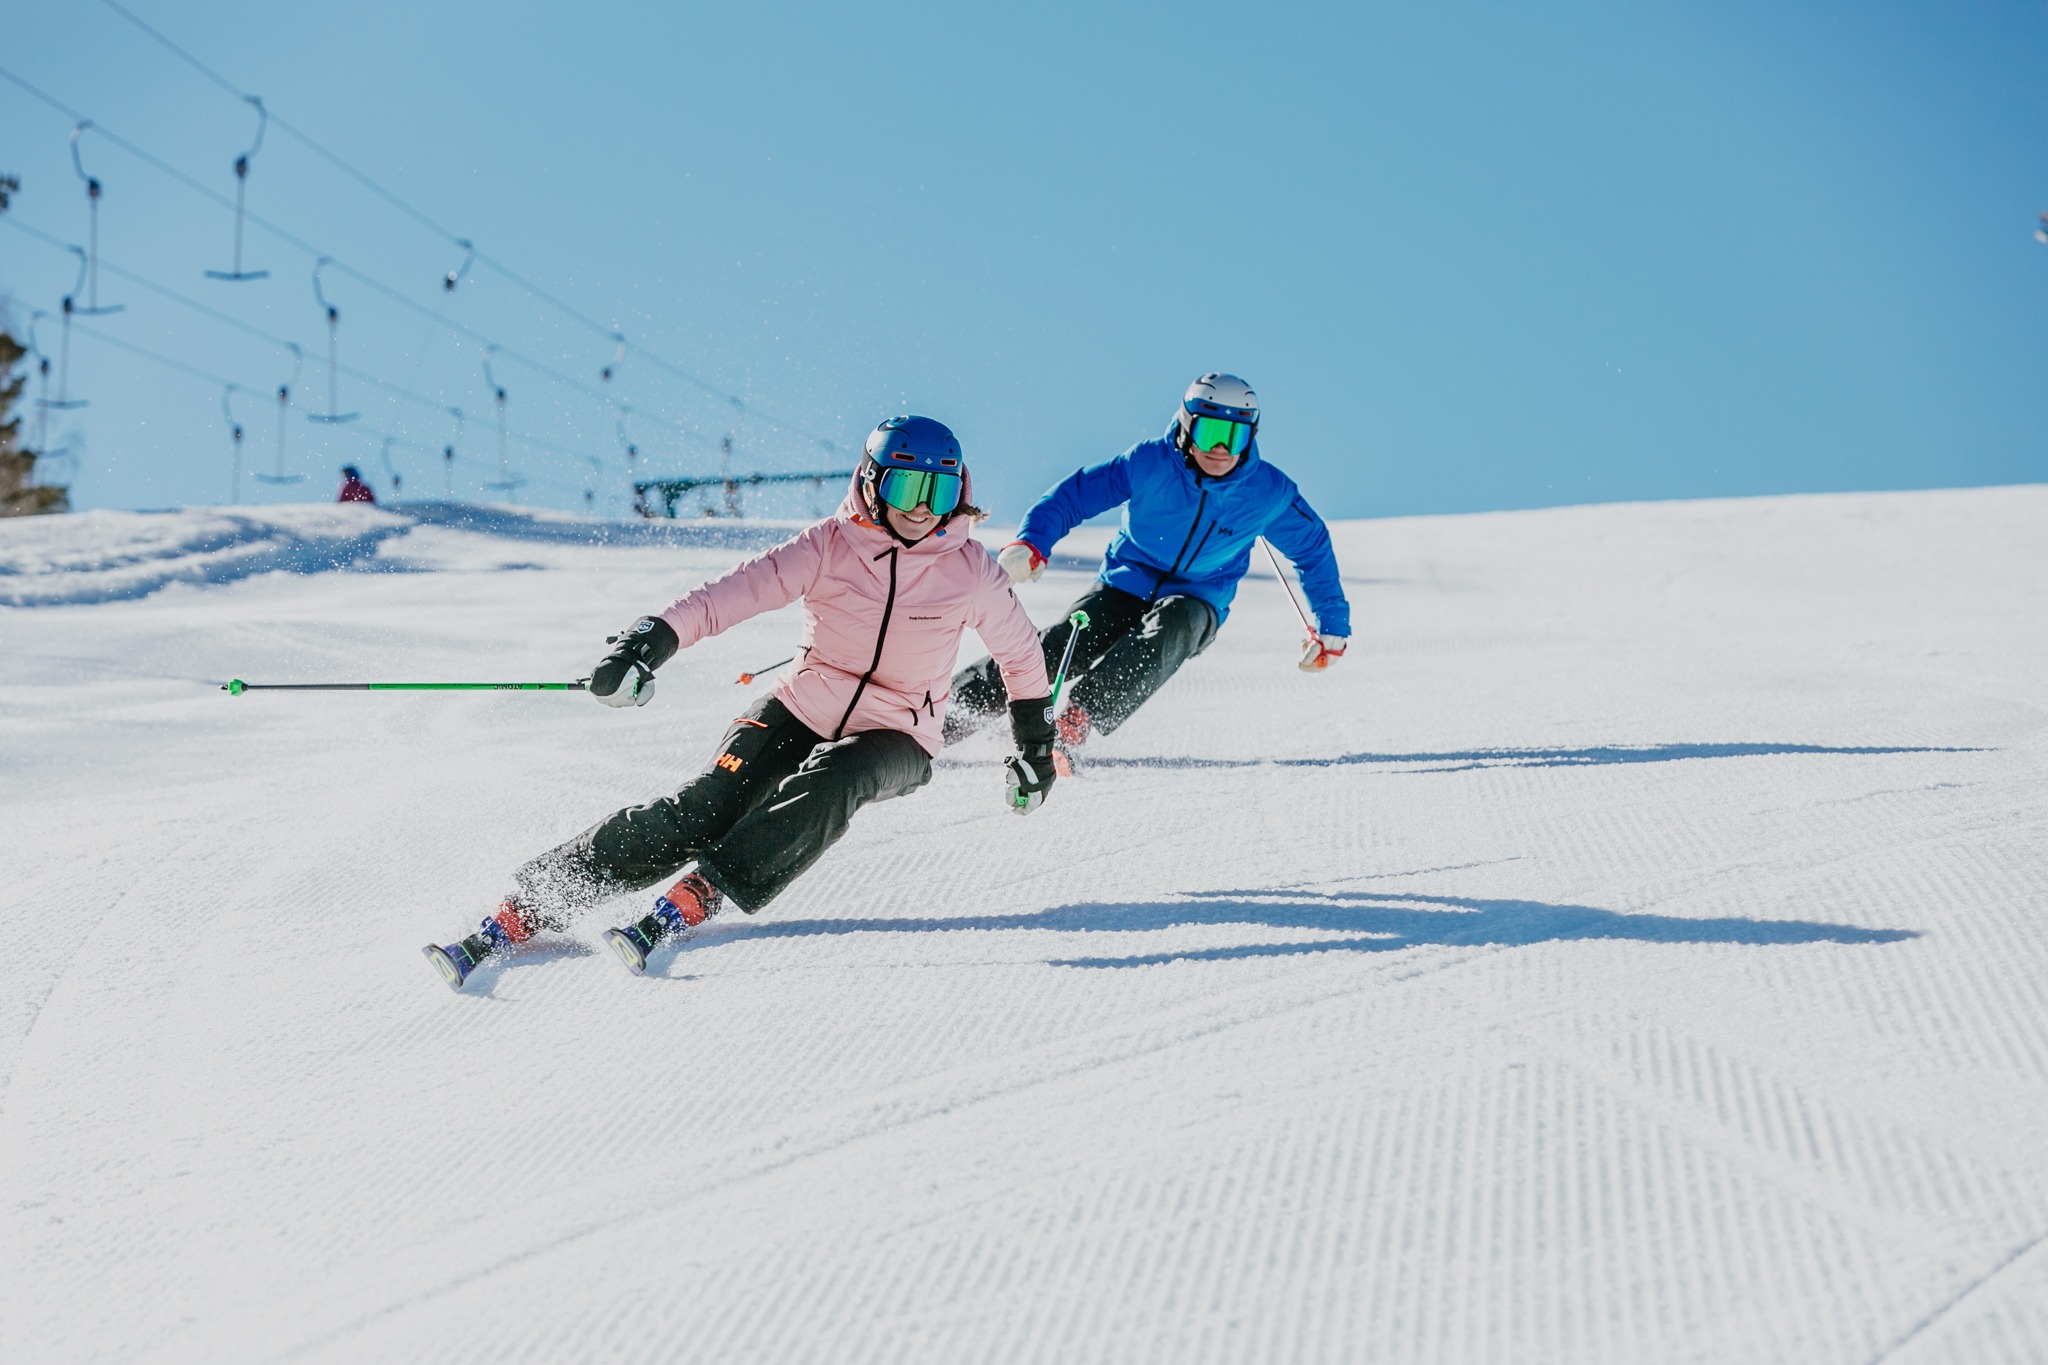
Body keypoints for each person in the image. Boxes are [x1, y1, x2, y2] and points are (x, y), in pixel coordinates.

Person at [423, 416, 1058, 991]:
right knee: (703, 808)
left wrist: (1034, 748)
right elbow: (730, 596)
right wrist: (650, 643)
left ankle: (707, 889)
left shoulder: (970, 570)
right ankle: (540, 897)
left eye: (938, 495)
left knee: (840, 779)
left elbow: (1023, 657)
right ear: (871, 484)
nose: (921, 512)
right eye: (905, 490)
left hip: (900, 732)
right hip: (804, 703)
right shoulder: (829, 545)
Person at [947, 374, 1350, 759]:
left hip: (1199, 597)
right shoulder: (1149, 463)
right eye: (1211, 432)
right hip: (1125, 581)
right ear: (1187, 425)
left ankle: (1075, 720)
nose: (1221, 449)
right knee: (1066, 642)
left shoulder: (1267, 492)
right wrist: (1032, 541)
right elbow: (1074, 495)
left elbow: (1312, 548)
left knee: (1172, 626)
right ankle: (945, 715)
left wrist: (1331, 626)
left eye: (1235, 436)